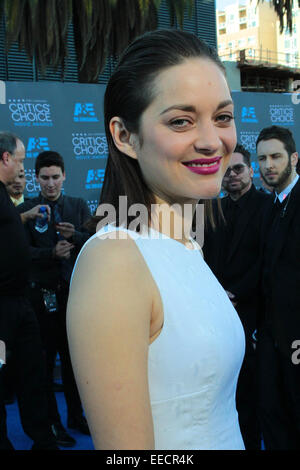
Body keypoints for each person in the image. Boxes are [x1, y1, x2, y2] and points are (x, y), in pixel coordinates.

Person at [66, 29, 245, 450]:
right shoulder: (114, 260)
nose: (210, 140)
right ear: (125, 136)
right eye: (180, 121)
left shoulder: (186, 247)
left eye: (222, 117)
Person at [18, 151, 91, 447]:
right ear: (36, 178)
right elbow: (19, 254)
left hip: (76, 298)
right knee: (46, 366)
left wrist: (76, 237)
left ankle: (77, 416)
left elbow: (96, 245)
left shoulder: (77, 205)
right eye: (45, 178)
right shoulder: (27, 209)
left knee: (76, 365)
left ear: (65, 177)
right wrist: (49, 254)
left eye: (55, 177)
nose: (50, 183)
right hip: (42, 298)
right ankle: (53, 424)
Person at [203, 143, 272, 449]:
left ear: (251, 171)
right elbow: (204, 258)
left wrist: (238, 292)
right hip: (217, 315)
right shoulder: (211, 209)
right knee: (223, 391)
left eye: (238, 168)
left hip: (254, 315)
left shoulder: (268, 206)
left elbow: (267, 260)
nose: (231, 175)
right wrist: (217, 294)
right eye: (226, 170)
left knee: (253, 395)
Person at [0, 131, 58, 450]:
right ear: (6, 158)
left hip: (22, 306)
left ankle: (43, 439)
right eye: (20, 161)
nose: (22, 169)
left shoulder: (6, 196)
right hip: (1, 311)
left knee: (33, 373)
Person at [256, 125, 300, 450]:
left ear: (294, 158)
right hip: (272, 335)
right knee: (271, 413)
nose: (268, 165)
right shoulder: (271, 205)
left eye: (276, 156)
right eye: (262, 158)